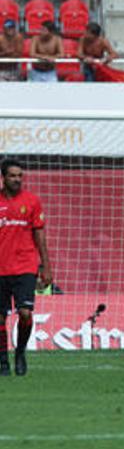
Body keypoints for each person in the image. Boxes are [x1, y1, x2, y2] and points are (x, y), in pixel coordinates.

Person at [0, 159, 52, 376]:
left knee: (25, 313)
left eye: (20, 175)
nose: (17, 179)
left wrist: (46, 266)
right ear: (3, 177)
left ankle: (20, 352)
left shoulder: (32, 201)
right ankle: (3, 360)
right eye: (13, 175)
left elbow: (39, 235)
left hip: (25, 266)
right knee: (0, 318)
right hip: (1, 268)